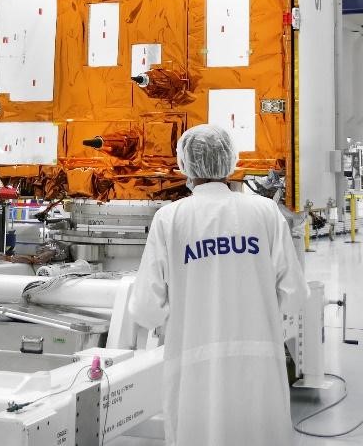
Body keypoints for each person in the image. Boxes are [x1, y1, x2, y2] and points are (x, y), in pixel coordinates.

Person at [131, 124, 309, 446]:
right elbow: (295, 292)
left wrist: (181, 320)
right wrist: (263, 320)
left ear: (185, 164)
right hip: (259, 367)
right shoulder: (265, 212)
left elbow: (145, 307)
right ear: (229, 161)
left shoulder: (170, 219)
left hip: (195, 371)